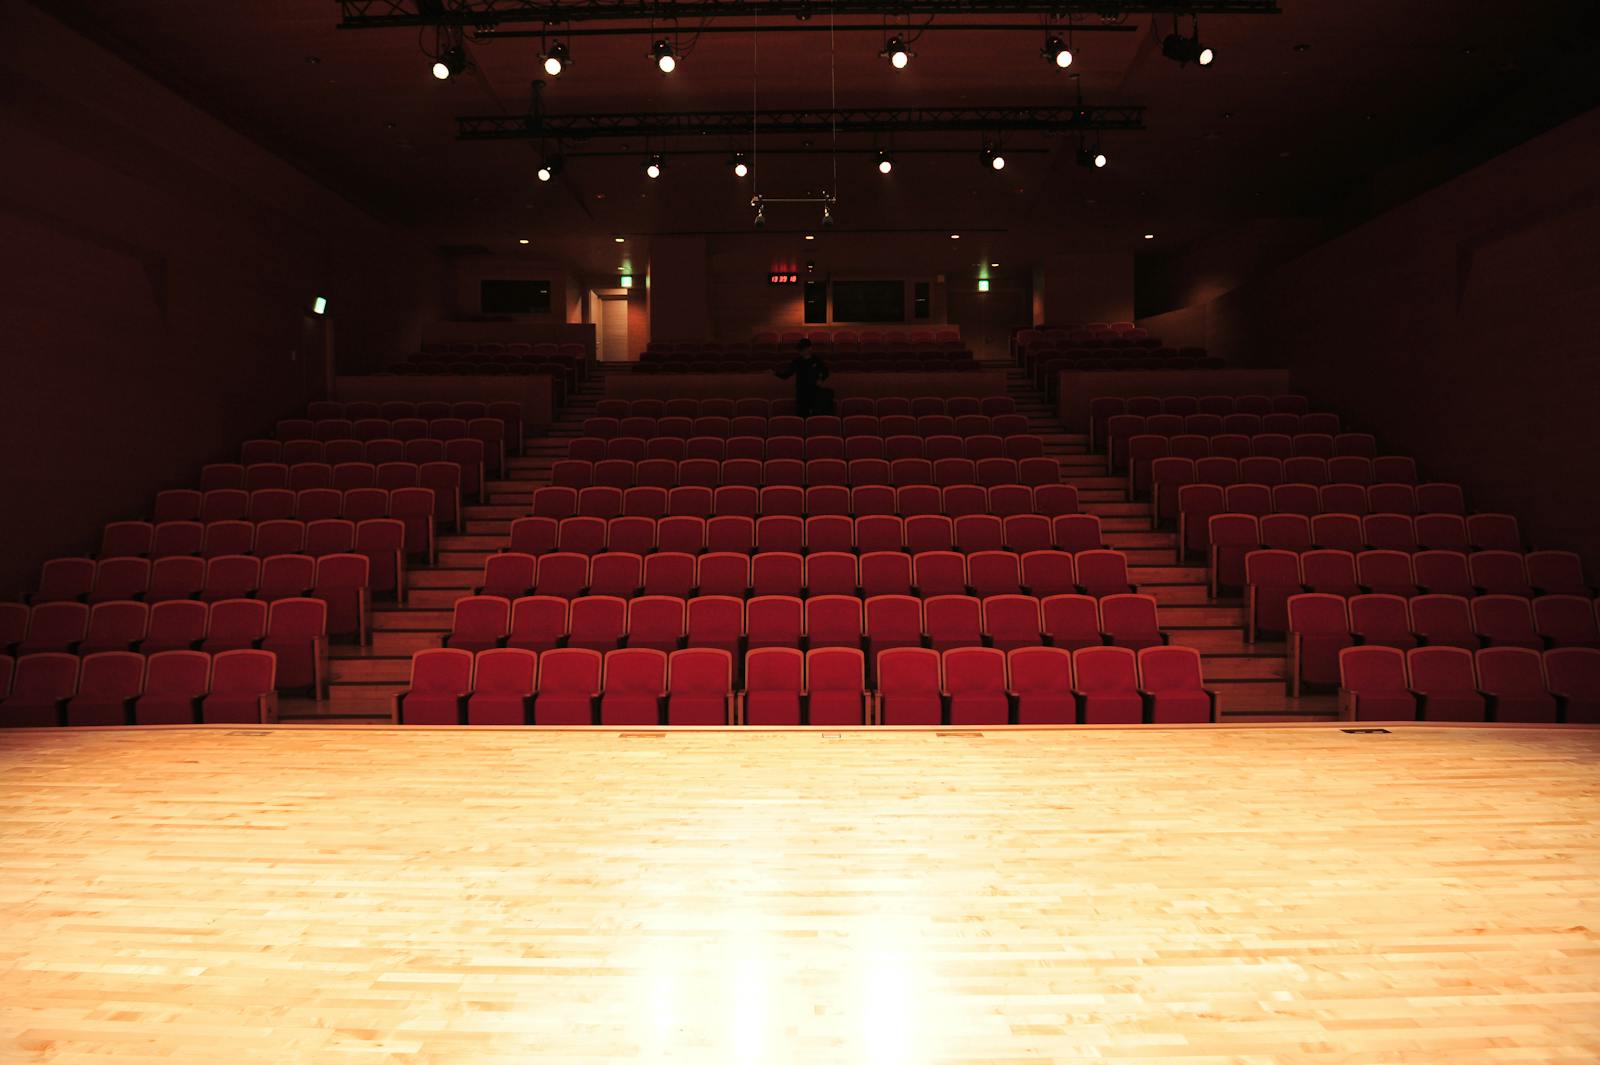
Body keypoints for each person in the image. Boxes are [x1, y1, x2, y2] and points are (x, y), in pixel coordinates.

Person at [775, 338, 832, 417]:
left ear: (809, 348)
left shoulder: (816, 360)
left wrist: (820, 379)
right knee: (802, 415)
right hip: (801, 393)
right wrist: (775, 373)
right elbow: (786, 375)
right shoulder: (797, 361)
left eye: (802, 349)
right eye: (800, 349)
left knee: (815, 416)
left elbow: (825, 372)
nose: (800, 351)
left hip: (814, 392)